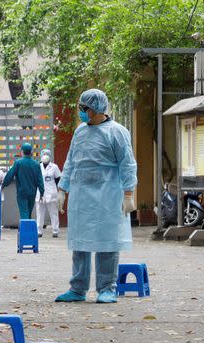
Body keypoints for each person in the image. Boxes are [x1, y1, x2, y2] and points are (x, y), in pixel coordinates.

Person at [55, 88, 137, 304]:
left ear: (97, 108)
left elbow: (127, 164)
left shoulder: (117, 132)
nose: (81, 111)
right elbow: (71, 161)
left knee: (107, 243)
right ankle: (77, 288)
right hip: (81, 196)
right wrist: (63, 189)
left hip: (108, 195)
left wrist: (128, 193)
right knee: (80, 243)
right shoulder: (79, 132)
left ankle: (106, 288)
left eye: (85, 108)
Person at [2, 143, 44, 220]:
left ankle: (25, 230)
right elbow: (40, 180)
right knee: (29, 211)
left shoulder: (18, 162)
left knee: (24, 212)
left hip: (22, 192)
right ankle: (24, 229)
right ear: (31, 152)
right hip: (32, 192)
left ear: (22, 152)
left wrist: (3, 185)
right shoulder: (36, 164)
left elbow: (10, 175)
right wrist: (42, 192)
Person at [36, 149, 62, 238]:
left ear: (50, 156)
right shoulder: (38, 166)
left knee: (53, 213)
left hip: (51, 193)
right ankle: (39, 231)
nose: (45, 156)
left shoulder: (54, 167)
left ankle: (55, 231)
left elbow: (58, 179)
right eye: (44, 154)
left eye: (47, 154)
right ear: (41, 156)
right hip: (40, 193)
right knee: (39, 213)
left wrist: (60, 192)